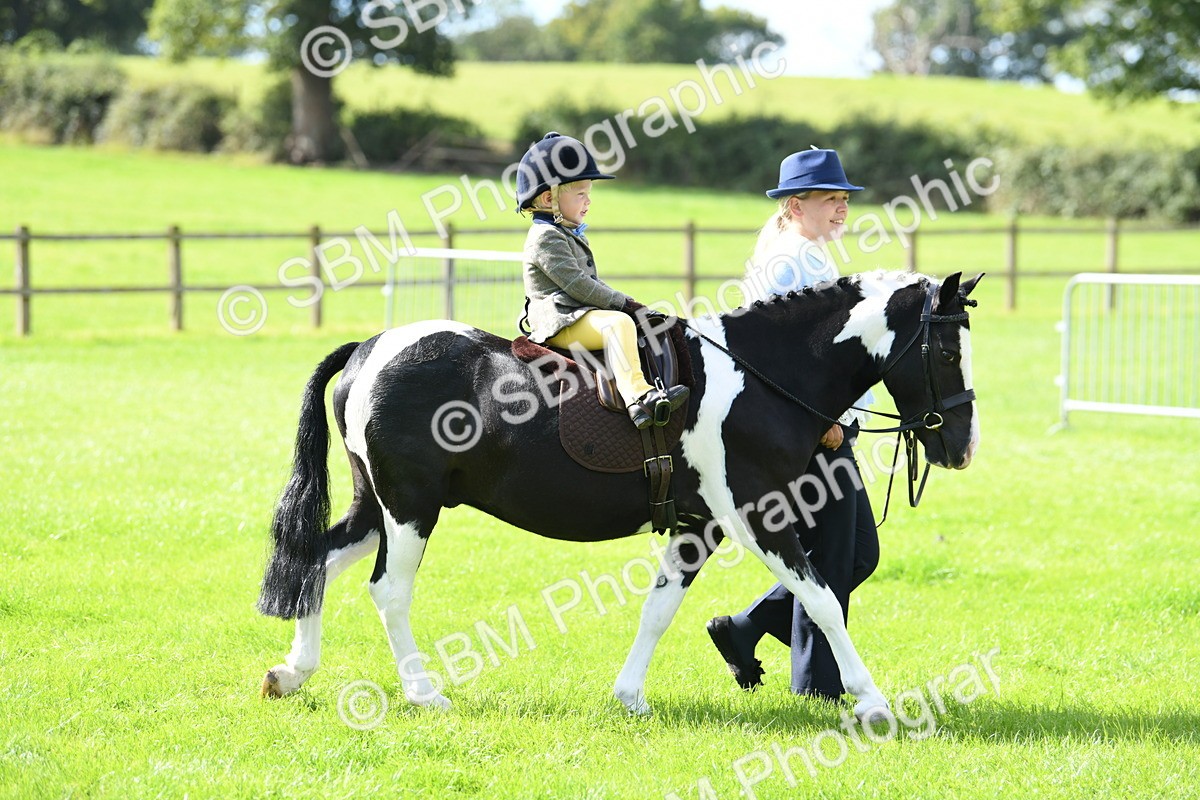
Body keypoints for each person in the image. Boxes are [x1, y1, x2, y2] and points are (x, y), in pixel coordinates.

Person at [706, 148, 880, 701]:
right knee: (833, 555)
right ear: (796, 204)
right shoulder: (791, 261)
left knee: (857, 552)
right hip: (813, 430)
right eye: (831, 199)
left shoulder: (805, 249)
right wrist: (823, 418)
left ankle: (748, 626)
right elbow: (791, 353)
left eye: (844, 199)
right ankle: (817, 689)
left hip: (820, 424)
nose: (841, 208)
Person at [516, 131, 688, 429]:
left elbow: (590, 284)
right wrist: (624, 304)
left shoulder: (563, 232)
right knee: (618, 324)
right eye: (580, 194)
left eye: (589, 193)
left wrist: (626, 302)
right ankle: (639, 396)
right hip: (560, 321)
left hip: (576, 314)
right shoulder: (545, 238)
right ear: (548, 198)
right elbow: (579, 285)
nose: (588, 201)